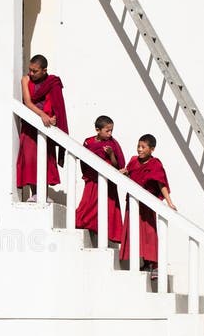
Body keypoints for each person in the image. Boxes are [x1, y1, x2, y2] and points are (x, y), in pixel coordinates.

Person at [119, 134, 176, 277]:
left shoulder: (155, 163)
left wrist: (169, 202)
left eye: (143, 147)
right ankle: (145, 263)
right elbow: (130, 175)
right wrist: (125, 173)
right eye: (138, 146)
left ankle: (155, 265)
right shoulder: (133, 161)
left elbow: (160, 183)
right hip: (132, 202)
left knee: (149, 233)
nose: (139, 149)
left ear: (152, 149)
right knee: (135, 232)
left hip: (147, 204)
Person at [16, 54, 68, 201]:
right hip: (31, 125)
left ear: (44, 70)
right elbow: (27, 102)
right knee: (31, 158)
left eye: (35, 71)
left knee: (46, 158)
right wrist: (42, 115)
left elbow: (57, 104)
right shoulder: (25, 80)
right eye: (30, 70)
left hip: (46, 127)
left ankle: (43, 193)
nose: (31, 74)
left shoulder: (52, 82)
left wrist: (53, 118)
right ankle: (34, 193)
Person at [75, 115, 125, 242]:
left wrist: (111, 154)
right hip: (92, 178)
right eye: (107, 131)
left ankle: (106, 231)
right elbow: (84, 160)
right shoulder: (88, 142)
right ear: (98, 130)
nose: (110, 134)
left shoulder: (112, 143)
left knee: (106, 207)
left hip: (107, 181)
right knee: (88, 202)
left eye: (111, 130)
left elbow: (117, 165)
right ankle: (84, 223)